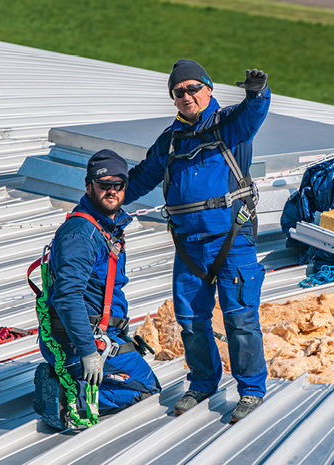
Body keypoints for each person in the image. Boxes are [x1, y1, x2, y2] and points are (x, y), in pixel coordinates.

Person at [123, 59, 270, 423]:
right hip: (188, 248)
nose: (187, 95)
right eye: (179, 91)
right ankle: (203, 382)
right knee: (190, 321)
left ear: (208, 89)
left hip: (232, 240)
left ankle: (250, 391)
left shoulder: (230, 125)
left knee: (240, 319)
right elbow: (139, 179)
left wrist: (257, 92)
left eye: (193, 88)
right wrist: (105, 196)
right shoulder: (170, 141)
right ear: (173, 99)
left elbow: (254, 112)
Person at [32, 149, 160, 429]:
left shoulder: (105, 225)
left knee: (138, 375)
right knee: (145, 388)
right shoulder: (82, 235)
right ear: (89, 186)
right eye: (104, 185)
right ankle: (68, 396)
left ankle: (64, 376)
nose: (112, 191)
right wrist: (89, 352)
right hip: (79, 344)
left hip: (94, 335)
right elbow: (67, 297)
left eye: (119, 185)